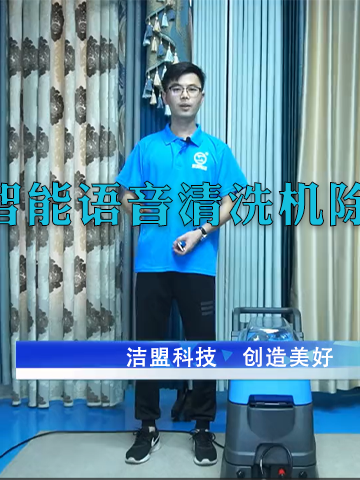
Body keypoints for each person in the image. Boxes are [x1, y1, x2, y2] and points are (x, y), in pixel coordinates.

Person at [116, 62, 247, 466]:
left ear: (202, 97)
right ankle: (147, 426)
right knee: (148, 346)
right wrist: (151, 213)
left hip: (198, 264)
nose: (185, 95)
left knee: (203, 347)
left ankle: (203, 427)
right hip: (152, 264)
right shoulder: (147, 148)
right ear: (166, 96)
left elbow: (232, 200)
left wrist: (200, 232)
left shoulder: (217, 151)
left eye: (192, 88)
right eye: (177, 88)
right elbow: (125, 194)